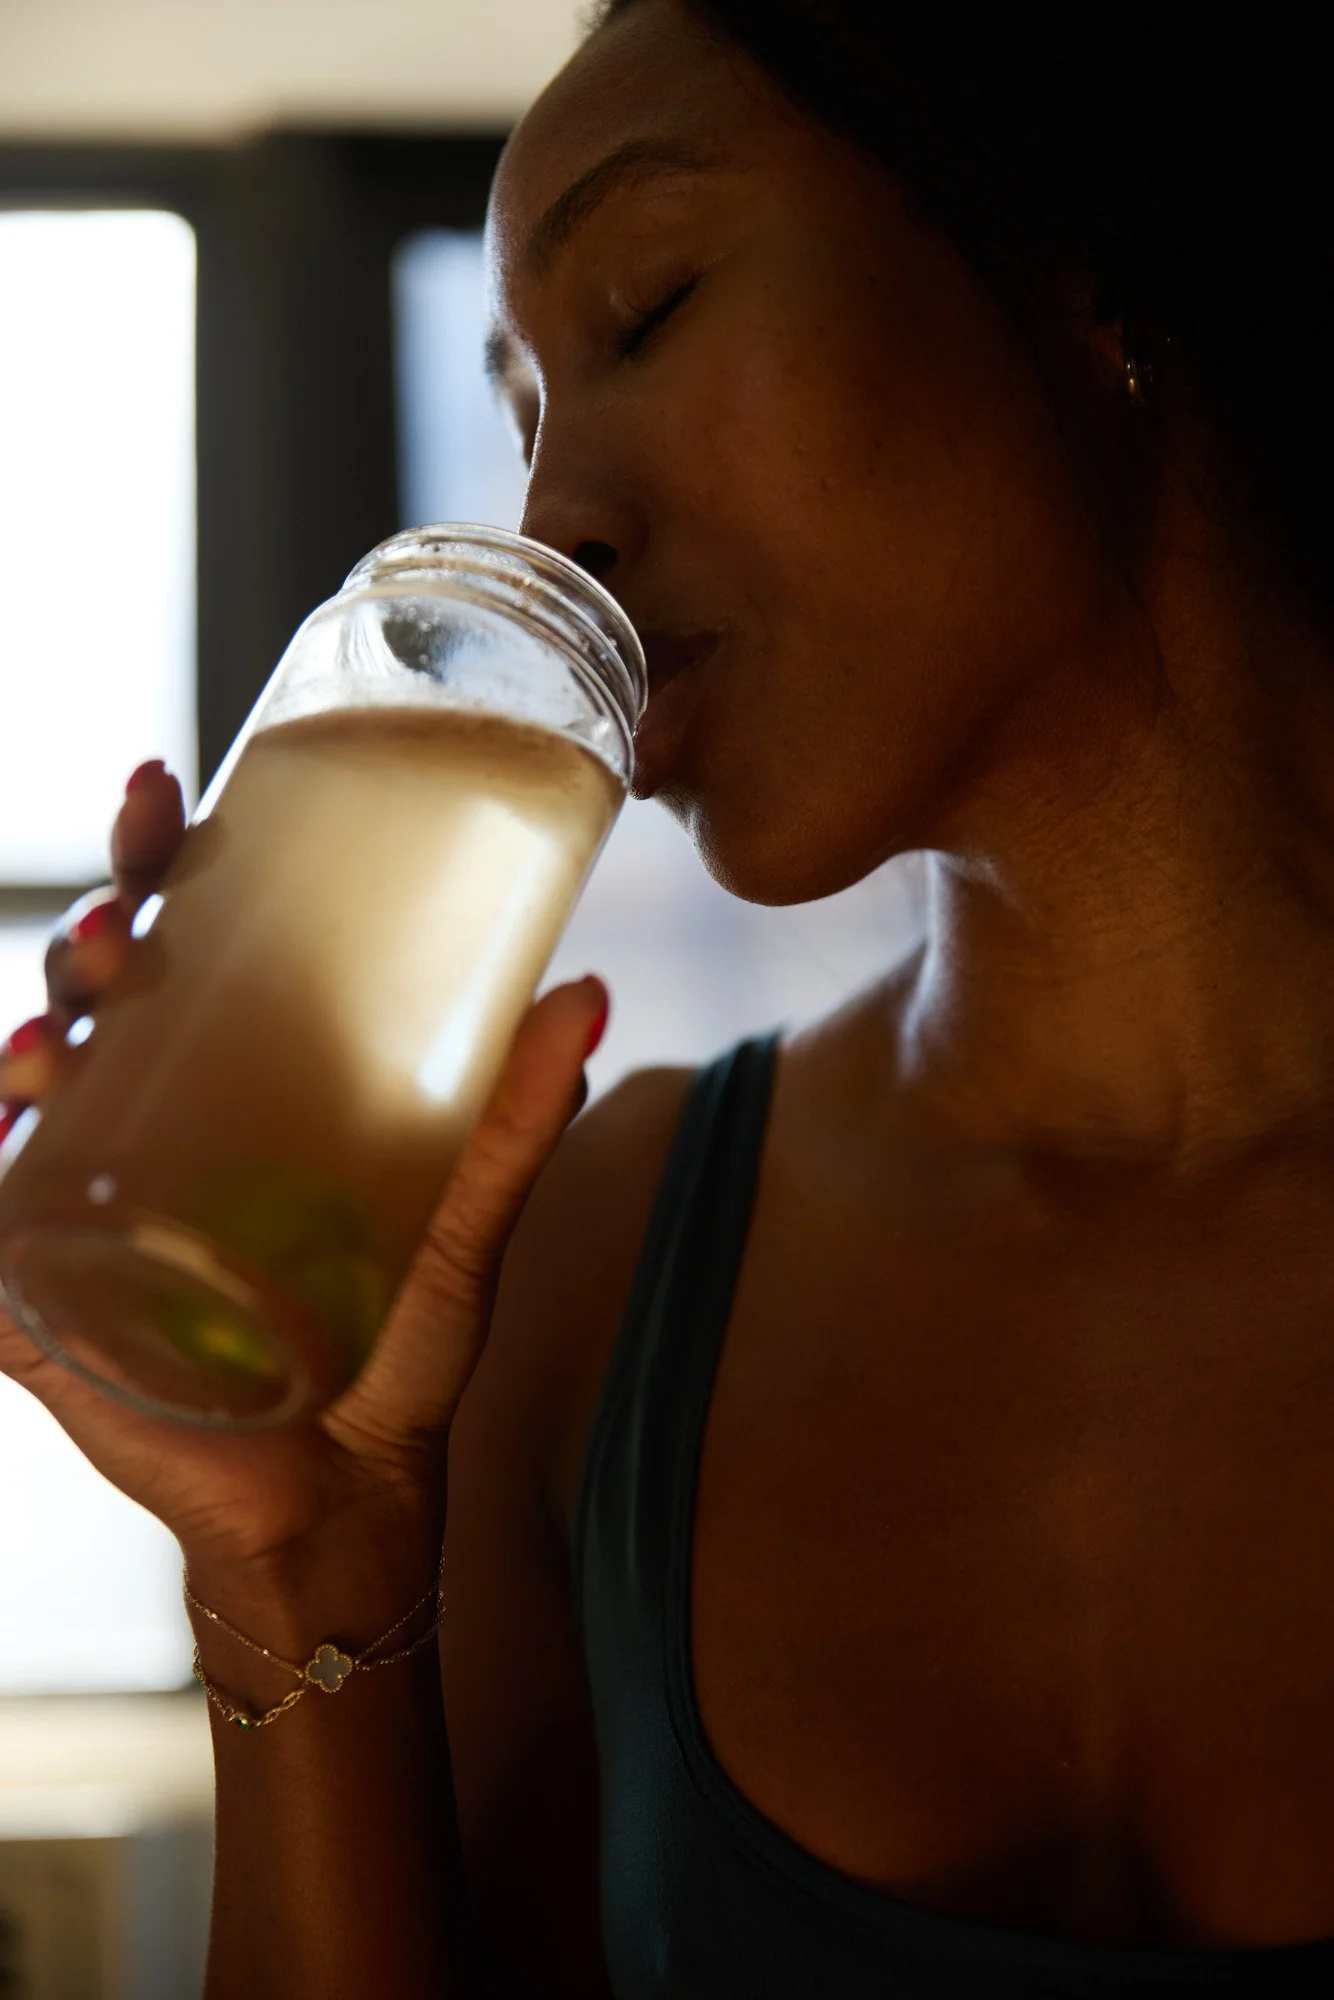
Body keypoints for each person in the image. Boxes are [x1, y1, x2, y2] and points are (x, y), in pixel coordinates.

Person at [5, 2, 1334, 1991]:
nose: (558, 527)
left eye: (646, 305)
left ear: (1080, 255)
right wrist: (300, 1555)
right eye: (523, 408)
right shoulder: (602, 1254)